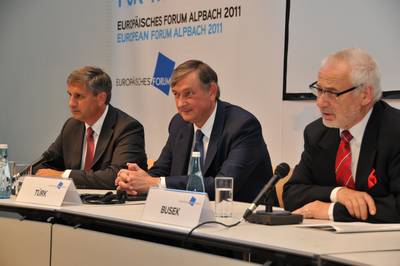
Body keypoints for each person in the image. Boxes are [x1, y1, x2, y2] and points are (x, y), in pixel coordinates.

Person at [116, 60, 273, 202]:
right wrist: (134, 179)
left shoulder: (242, 126)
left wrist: (155, 183)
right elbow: (161, 170)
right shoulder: (179, 123)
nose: (180, 104)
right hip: (187, 215)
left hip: (244, 220)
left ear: (211, 91)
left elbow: (223, 186)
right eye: (176, 95)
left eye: (188, 94)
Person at [283, 48, 400, 223]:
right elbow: (292, 194)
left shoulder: (394, 131)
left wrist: (332, 210)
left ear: (365, 95)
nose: (320, 102)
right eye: (319, 90)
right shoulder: (317, 133)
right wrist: (338, 193)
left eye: (332, 93)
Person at [34, 66, 147, 189]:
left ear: (101, 98)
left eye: (78, 96)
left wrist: (64, 175)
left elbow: (117, 177)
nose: (71, 103)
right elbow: (43, 165)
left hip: (110, 205)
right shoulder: (72, 126)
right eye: (70, 95)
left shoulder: (128, 128)